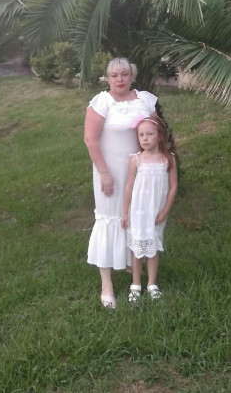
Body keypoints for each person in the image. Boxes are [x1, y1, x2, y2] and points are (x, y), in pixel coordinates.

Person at [84, 57, 159, 308]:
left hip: (139, 172)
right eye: (114, 75)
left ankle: (129, 263)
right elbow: (90, 140)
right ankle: (106, 285)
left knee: (133, 217)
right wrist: (104, 172)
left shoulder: (144, 100)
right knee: (109, 219)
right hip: (110, 173)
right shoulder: (101, 103)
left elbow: (155, 133)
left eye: (124, 74)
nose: (120, 79)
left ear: (131, 76)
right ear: (108, 78)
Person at [121, 117, 178, 305]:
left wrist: (165, 210)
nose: (145, 138)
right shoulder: (136, 160)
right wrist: (125, 213)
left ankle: (152, 283)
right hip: (138, 212)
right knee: (137, 248)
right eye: (141, 135)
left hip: (156, 213)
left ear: (159, 136)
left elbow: (173, 187)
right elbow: (129, 187)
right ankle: (135, 284)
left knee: (153, 247)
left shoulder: (168, 159)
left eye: (149, 134)